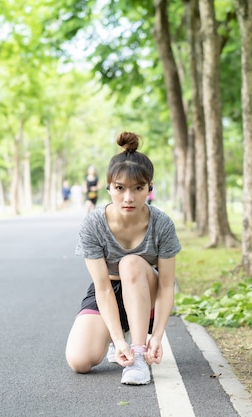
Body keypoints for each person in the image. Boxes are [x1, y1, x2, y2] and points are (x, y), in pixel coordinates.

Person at [66, 131, 181, 385]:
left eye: (138, 188)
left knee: (129, 262)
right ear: (108, 187)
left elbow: (166, 285)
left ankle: (138, 357)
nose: (128, 198)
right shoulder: (93, 225)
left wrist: (157, 336)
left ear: (149, 188)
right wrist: (118, 341)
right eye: (120, 188)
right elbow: (103, 288)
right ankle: (118, 337)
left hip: (146, 289)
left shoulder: (161, 224)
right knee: (79, 361)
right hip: (110, 290)